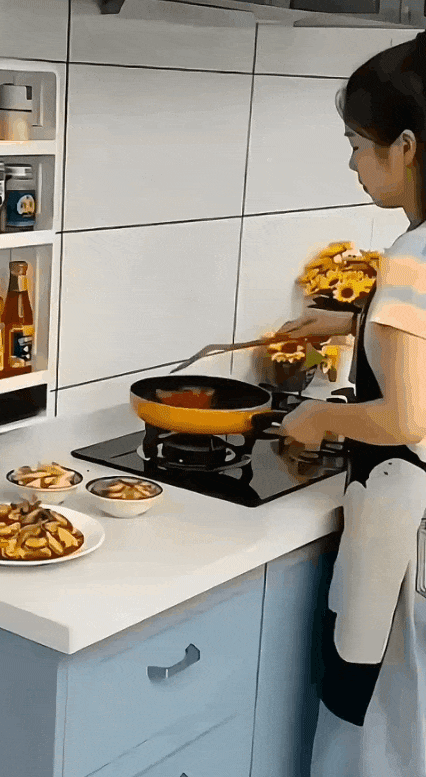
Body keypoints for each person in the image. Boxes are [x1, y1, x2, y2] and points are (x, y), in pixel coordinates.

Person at [276, 30, 426, 777]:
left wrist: (319, 416)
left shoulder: (410, 258)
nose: (353, 163)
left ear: (407, 148)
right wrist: (353, 321)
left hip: (405, 539)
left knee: (375, 736)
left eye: (359, 145)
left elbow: (404, 418)